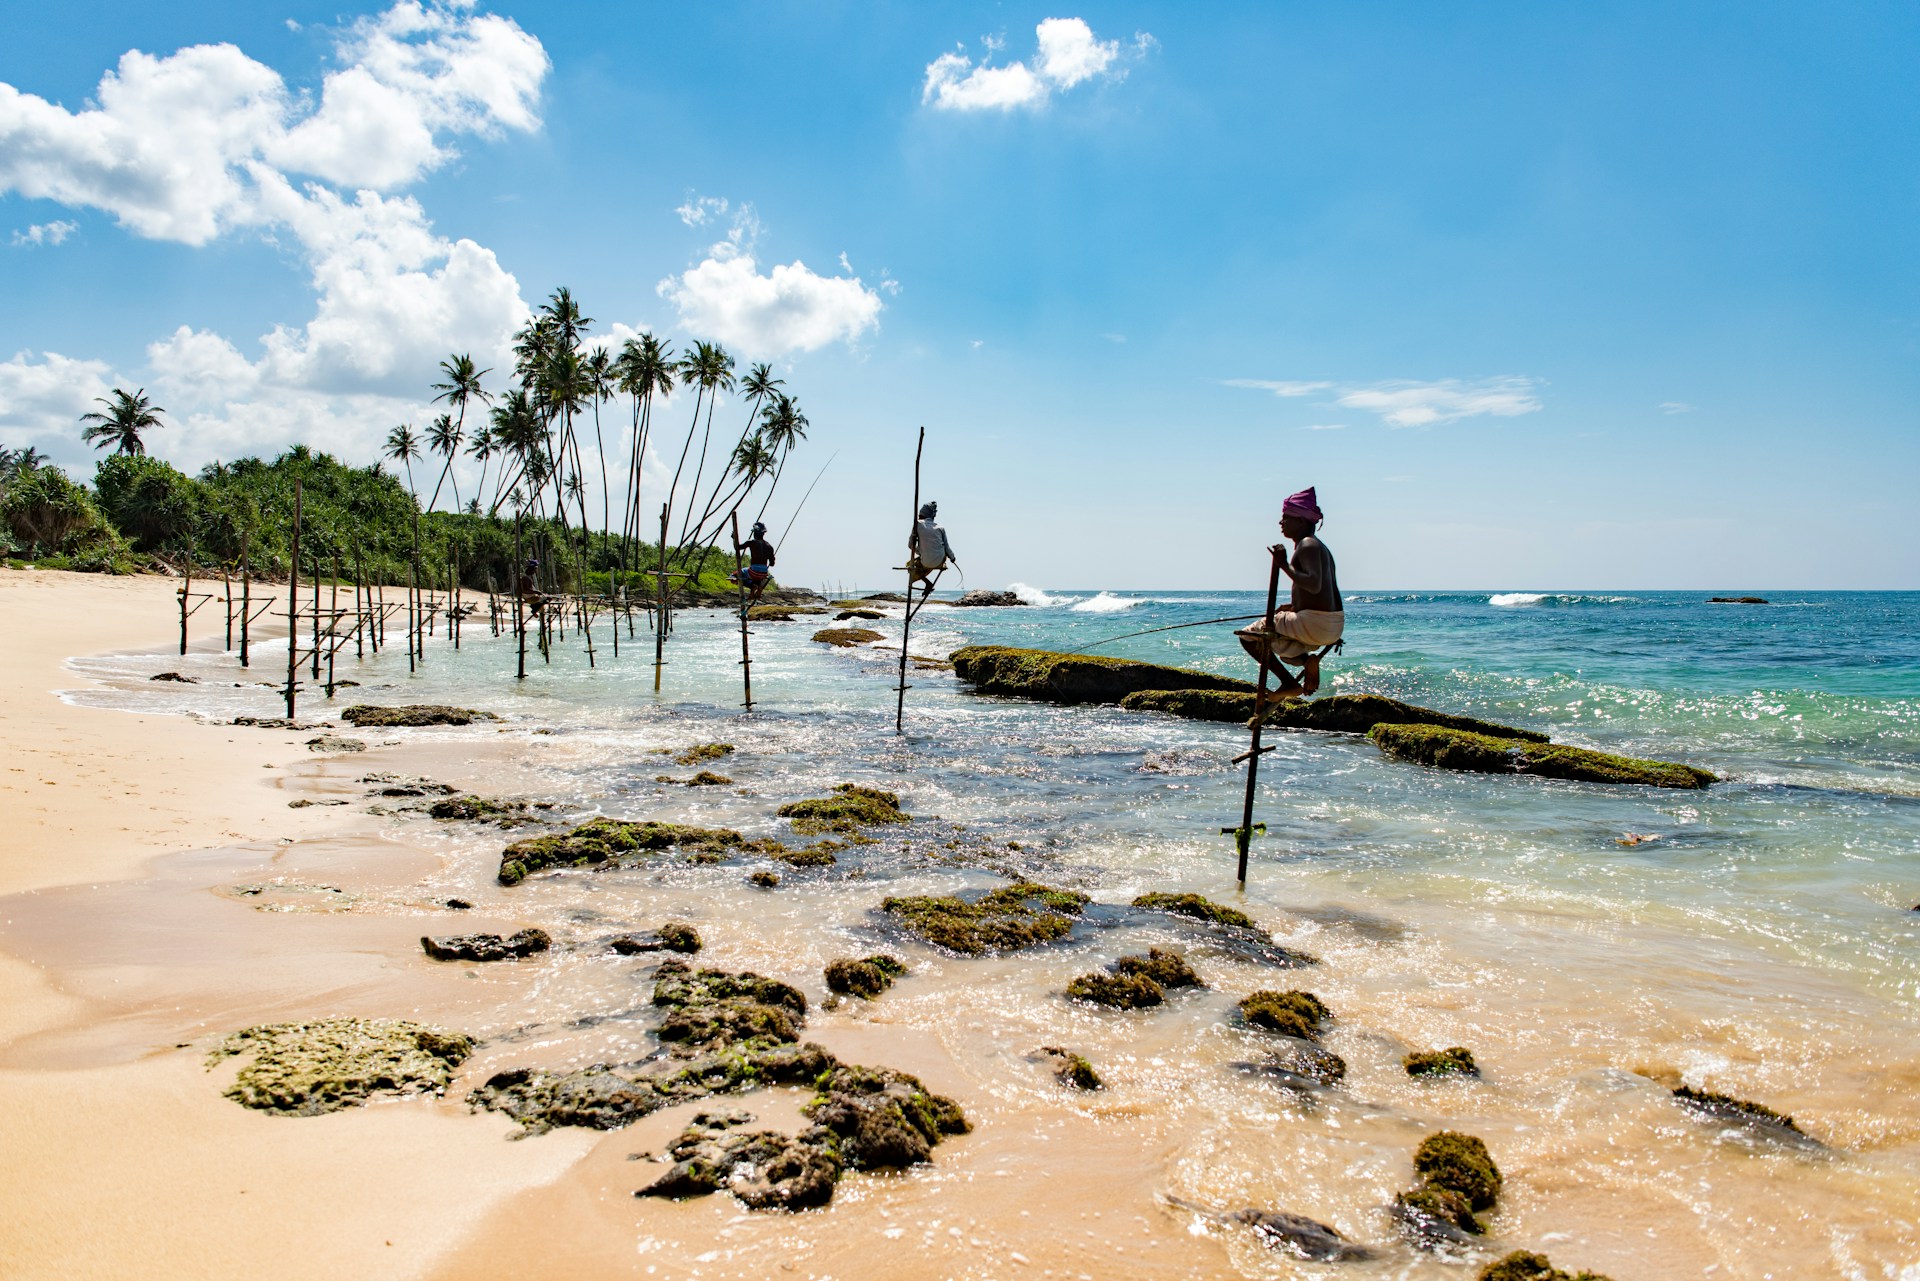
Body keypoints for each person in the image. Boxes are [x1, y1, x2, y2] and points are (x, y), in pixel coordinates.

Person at [1236, 486, 1343, 706]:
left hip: (1314, 622)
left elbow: (1313, 584)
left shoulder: (1307, 544)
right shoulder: (1321, 548)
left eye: (1286, 517)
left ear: (1302, 521)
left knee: (1249, 637)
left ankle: (1288, 683)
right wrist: (1293, 606)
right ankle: (1306, 661)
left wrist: (1283, 564)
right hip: (1331, 625)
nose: (1281, 522)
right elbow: (1321, 592)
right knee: (1282, 647)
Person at [906, 501, 955, 600]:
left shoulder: (918, 524)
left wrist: (920, 552)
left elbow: (911, 545)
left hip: (925, 562)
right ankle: (928, 583)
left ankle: (927, 583)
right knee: (935, 557)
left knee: (909, 565)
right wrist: (953, 558)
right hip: (940, 561)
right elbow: (946, 547)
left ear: (921, 515)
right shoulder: (940, 528)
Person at [731, 521, 777, 609]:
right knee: (755, 577)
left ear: (755, 533)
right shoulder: (769, 546)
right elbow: (772, 564)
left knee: (735, 575)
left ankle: (753, 586)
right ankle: (754, 589)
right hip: (764, 573)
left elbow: (737, 547)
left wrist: (734, 538)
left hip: (754, 571)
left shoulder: (751, 542)